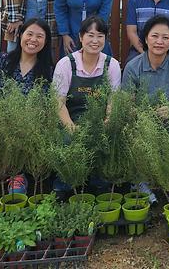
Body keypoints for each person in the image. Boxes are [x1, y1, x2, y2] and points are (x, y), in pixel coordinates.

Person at [0, 18, 55, 197]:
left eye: (40, 36)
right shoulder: (1, 60)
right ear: (20, 35)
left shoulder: (48, 71)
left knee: (26, 132)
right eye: (29, 34)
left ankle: (17, 174)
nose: (33, 40)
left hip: (30, 123)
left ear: (46, 42)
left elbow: (48, 104)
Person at [121, 15, 169, 204]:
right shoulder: (133, 66)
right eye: (154, 36)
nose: (159, 41)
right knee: (133, 132)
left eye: (165, 37)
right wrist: (144, 117)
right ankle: (140, 182)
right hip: (141, 118)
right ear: (145, 39)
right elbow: (127, 103)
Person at [52, 15, 122, 195]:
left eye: (100, 36)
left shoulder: (111, 65)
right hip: (71, 120)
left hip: (99, 121)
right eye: (90, 35)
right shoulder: (66, 64)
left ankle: (101, 183)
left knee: (109, 140)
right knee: (67, 141)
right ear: (81, 37)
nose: (95, 40)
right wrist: (71, 128)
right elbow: (58, 102)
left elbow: (113, 99)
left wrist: (107, 121)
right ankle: (65, 185)